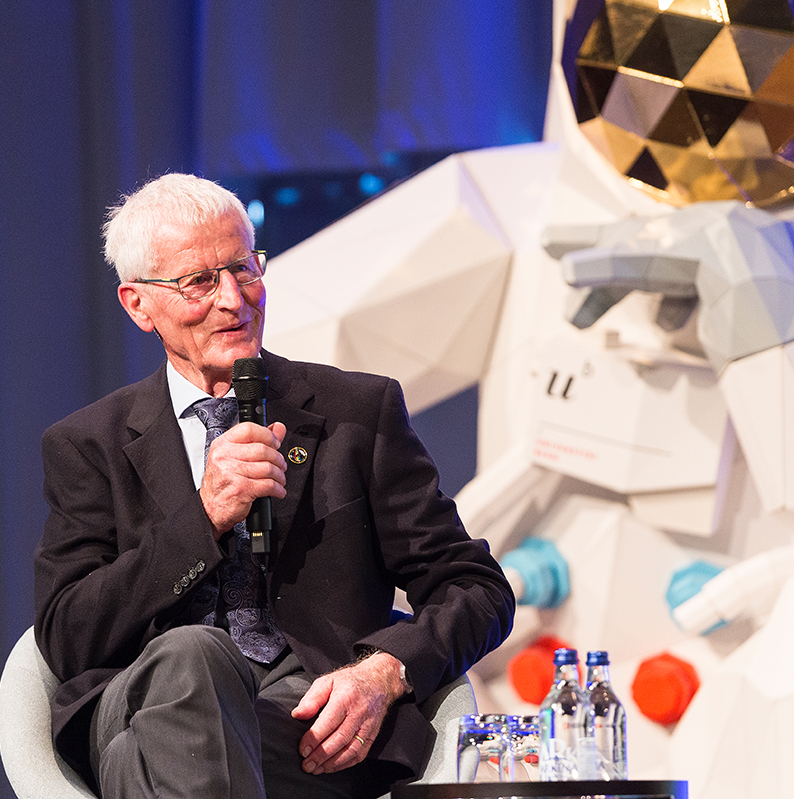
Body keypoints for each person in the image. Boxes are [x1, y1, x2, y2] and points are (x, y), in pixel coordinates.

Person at [33, 173, 515, 799]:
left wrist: (382, 672)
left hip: (307, 726)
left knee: (150, 763)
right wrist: (204, 517)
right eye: (199, 281)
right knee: (193, 658)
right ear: (138, 305)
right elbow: (70, 637)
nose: (234, 299)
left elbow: (474, 588)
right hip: (145, 699)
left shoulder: (355, 413)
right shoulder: (89, 445)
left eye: (244, 268)